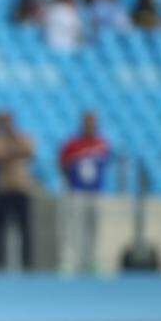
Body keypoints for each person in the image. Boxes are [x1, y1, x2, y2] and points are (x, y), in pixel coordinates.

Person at [58, 111, 110, 274]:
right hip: (77, 192)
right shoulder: (72, 144)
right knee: (73, 228)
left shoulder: (101, 143)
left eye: (92, 122)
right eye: (87, 122)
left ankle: (92, 261)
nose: (90, 125)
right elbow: (62, 164)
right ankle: (69, 262)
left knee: (94, 229)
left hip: (95, 192)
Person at [0, 112, 36, 269]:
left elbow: (29, 151)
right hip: (3, 188)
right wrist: (15, 152)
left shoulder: (22, 136)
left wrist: (11, 151)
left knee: (25, 227)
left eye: (9, 122)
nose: (7, 125)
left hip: (20, 187)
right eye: (4, 122)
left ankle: (27, 263)